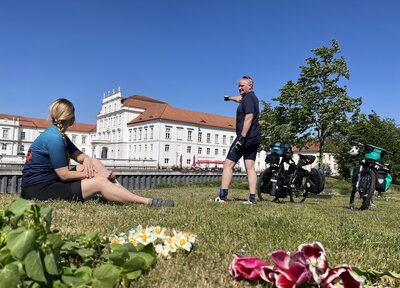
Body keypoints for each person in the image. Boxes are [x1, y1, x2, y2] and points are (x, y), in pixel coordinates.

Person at [21, 98, 174, 207]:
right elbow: (64, 175)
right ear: (72, 119)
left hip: (48, 181)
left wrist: (87, 160)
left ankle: (119, 193)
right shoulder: (55, 138)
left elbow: (81, 156)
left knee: (93, 161)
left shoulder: (57, 134)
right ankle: (144, 201)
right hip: (39, 190)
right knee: (100, 181)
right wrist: (96, 175)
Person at [211, 76, 261, 204]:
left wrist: (242, 138)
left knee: (228, 164)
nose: (239, 88)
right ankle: (252, 199)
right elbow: (239, 99)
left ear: (250, 85)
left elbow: (249, 117)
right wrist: (229, 98)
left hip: (246, 138)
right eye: (238, 86)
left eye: (242, 86)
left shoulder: (248, 98)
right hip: (255, 137)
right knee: (250, 167)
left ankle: (222, 197)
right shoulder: (251, 98)